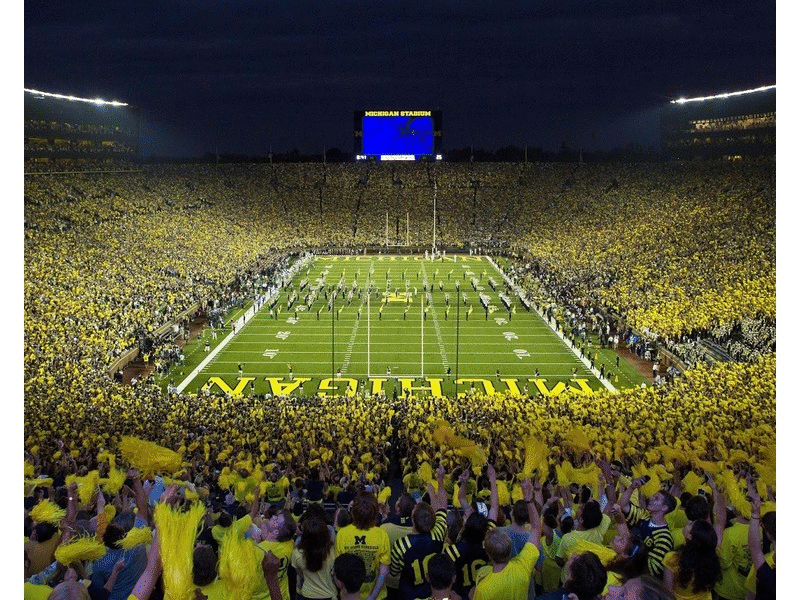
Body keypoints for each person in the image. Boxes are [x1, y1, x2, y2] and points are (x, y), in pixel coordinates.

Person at [470, 477, 540, 600]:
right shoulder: (522, 567)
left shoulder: (483, 589)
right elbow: (536, 529)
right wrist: (529, 500)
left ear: (488, 554)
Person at [390, 467, 449, 600]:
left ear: (412, 519)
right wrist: (439, 480)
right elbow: (442, 508)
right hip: (431, 592)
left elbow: (394, 571)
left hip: (408, 595)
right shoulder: (438, 533)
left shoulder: (401, 545)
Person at [335, 491, 392, 600]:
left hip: (349, 595)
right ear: (375, 513)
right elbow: (384, 571)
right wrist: (371, 597)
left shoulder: (342, 534)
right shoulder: (382, 534)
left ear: (353, 512)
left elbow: (339, 570)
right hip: (377, 596)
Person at [616, 476, 676, 577]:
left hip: (634, 576)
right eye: (653, 496)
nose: (651, 498)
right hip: (623, 564)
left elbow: (653, 569)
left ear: (664, 508)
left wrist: (628, 554)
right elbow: (624, 506)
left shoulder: (664, 538)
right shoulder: (644, 515)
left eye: (656, 498)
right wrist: (632, 487)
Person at [662, 519, 721, 600]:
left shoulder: (672, 558)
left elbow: (667, 591)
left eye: (690, 524)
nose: (688, 522)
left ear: (689, 536)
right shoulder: (712, 556)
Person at [291, 515, 338, 600]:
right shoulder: (333, 552)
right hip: (330, 594)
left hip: (307, 594)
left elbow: (301, 575)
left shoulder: (297, 553)